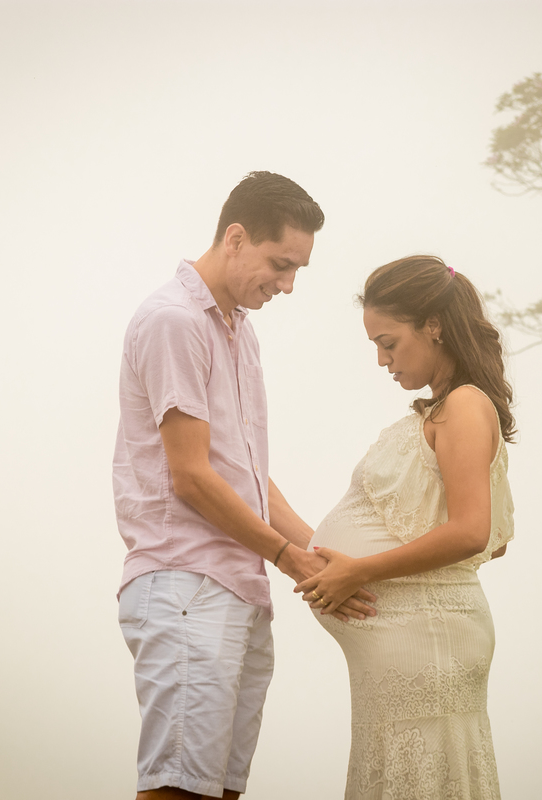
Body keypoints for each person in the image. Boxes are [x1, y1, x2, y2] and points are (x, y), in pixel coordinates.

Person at [112, 171, 376, 800]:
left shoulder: (239, 329)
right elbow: (192, 476)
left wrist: (319, 554)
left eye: (297, 270)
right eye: (281, 264)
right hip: (187, 583)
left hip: (239, 587)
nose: (288, 285)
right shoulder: (175, 320)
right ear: (235, 238)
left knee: (222, 790)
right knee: (180, 789)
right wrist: (288, 557)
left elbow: (248, 473)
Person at [296, 255, 516, 800]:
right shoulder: (439, 412)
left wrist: (360, 570)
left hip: (429, 647)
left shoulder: (464, 406)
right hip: (410, 651)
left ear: (433, 326)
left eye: (388, 342)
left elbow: (474, 533)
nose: (381, 359)